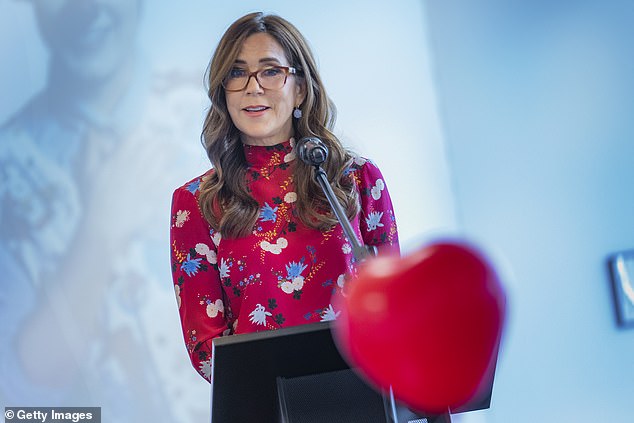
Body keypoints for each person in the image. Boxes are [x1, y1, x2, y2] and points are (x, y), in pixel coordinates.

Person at [169, 12, 400, 382]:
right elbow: (206, 349)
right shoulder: (195, 203)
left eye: (271, 71)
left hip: (363, 392)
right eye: (236, 72)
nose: (252, 87)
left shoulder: (355, 178)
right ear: (222, 91)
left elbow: (394, 303)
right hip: (266, 403)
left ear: (301, 88)